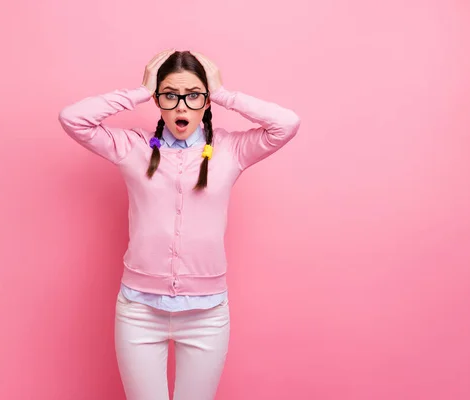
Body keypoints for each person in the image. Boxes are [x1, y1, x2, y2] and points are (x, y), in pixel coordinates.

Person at [58, 49, 301, 400]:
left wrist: (222, 93)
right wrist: (141, 90)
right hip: (139, 311)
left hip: (207, 314)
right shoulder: (133, 147)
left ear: (206, 101)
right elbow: (72, 118)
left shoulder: (230, 150)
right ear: (158, 101)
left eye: (193, 96)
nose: (182, 106)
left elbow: (287, 124)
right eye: (170, 96)